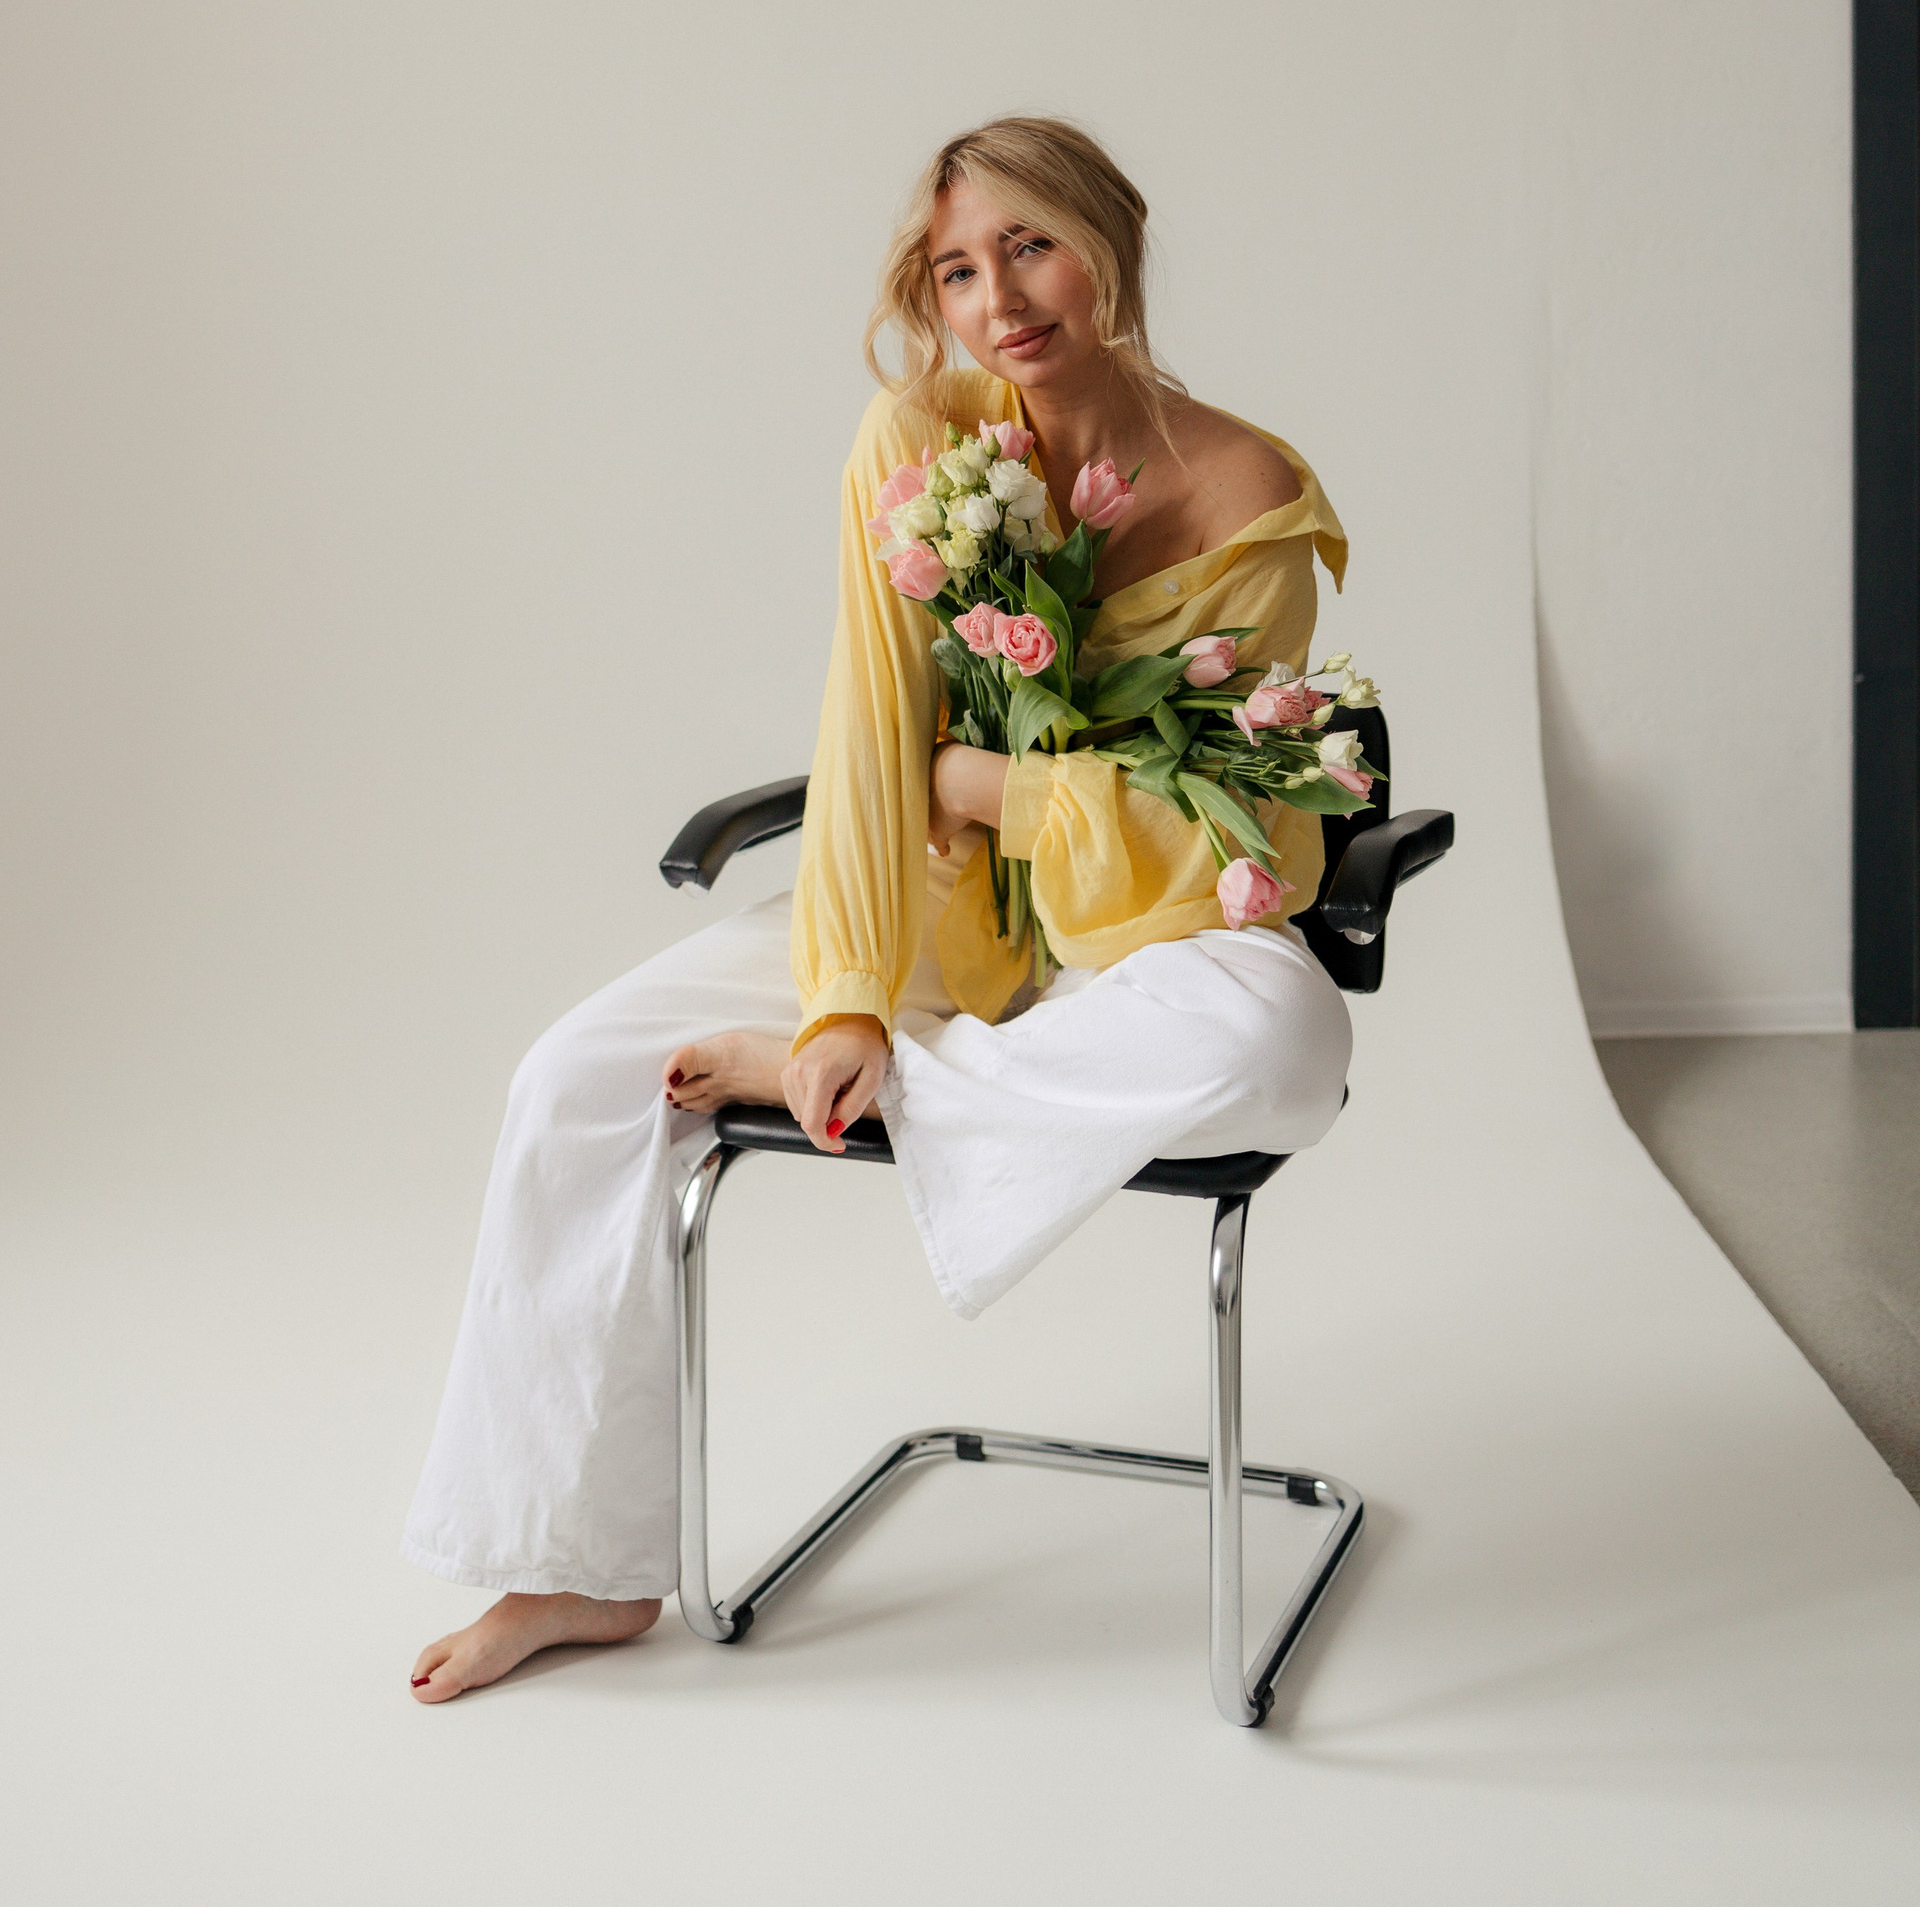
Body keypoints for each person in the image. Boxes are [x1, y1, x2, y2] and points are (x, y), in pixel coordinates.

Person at [404, 114, 1354, 1701]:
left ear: (1111, 243)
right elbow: (869, 737)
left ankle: (903, 1085)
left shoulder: (1251, 490)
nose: (1001, 300)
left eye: (1031, 246)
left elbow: (1226, 823)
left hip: (1144, 945)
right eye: (958, 269)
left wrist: (986, 783)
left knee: (1286, 1042)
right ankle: (573, 1566)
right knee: (573, 1076)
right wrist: (845, 994)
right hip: (929, 924)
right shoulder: (921, 441)